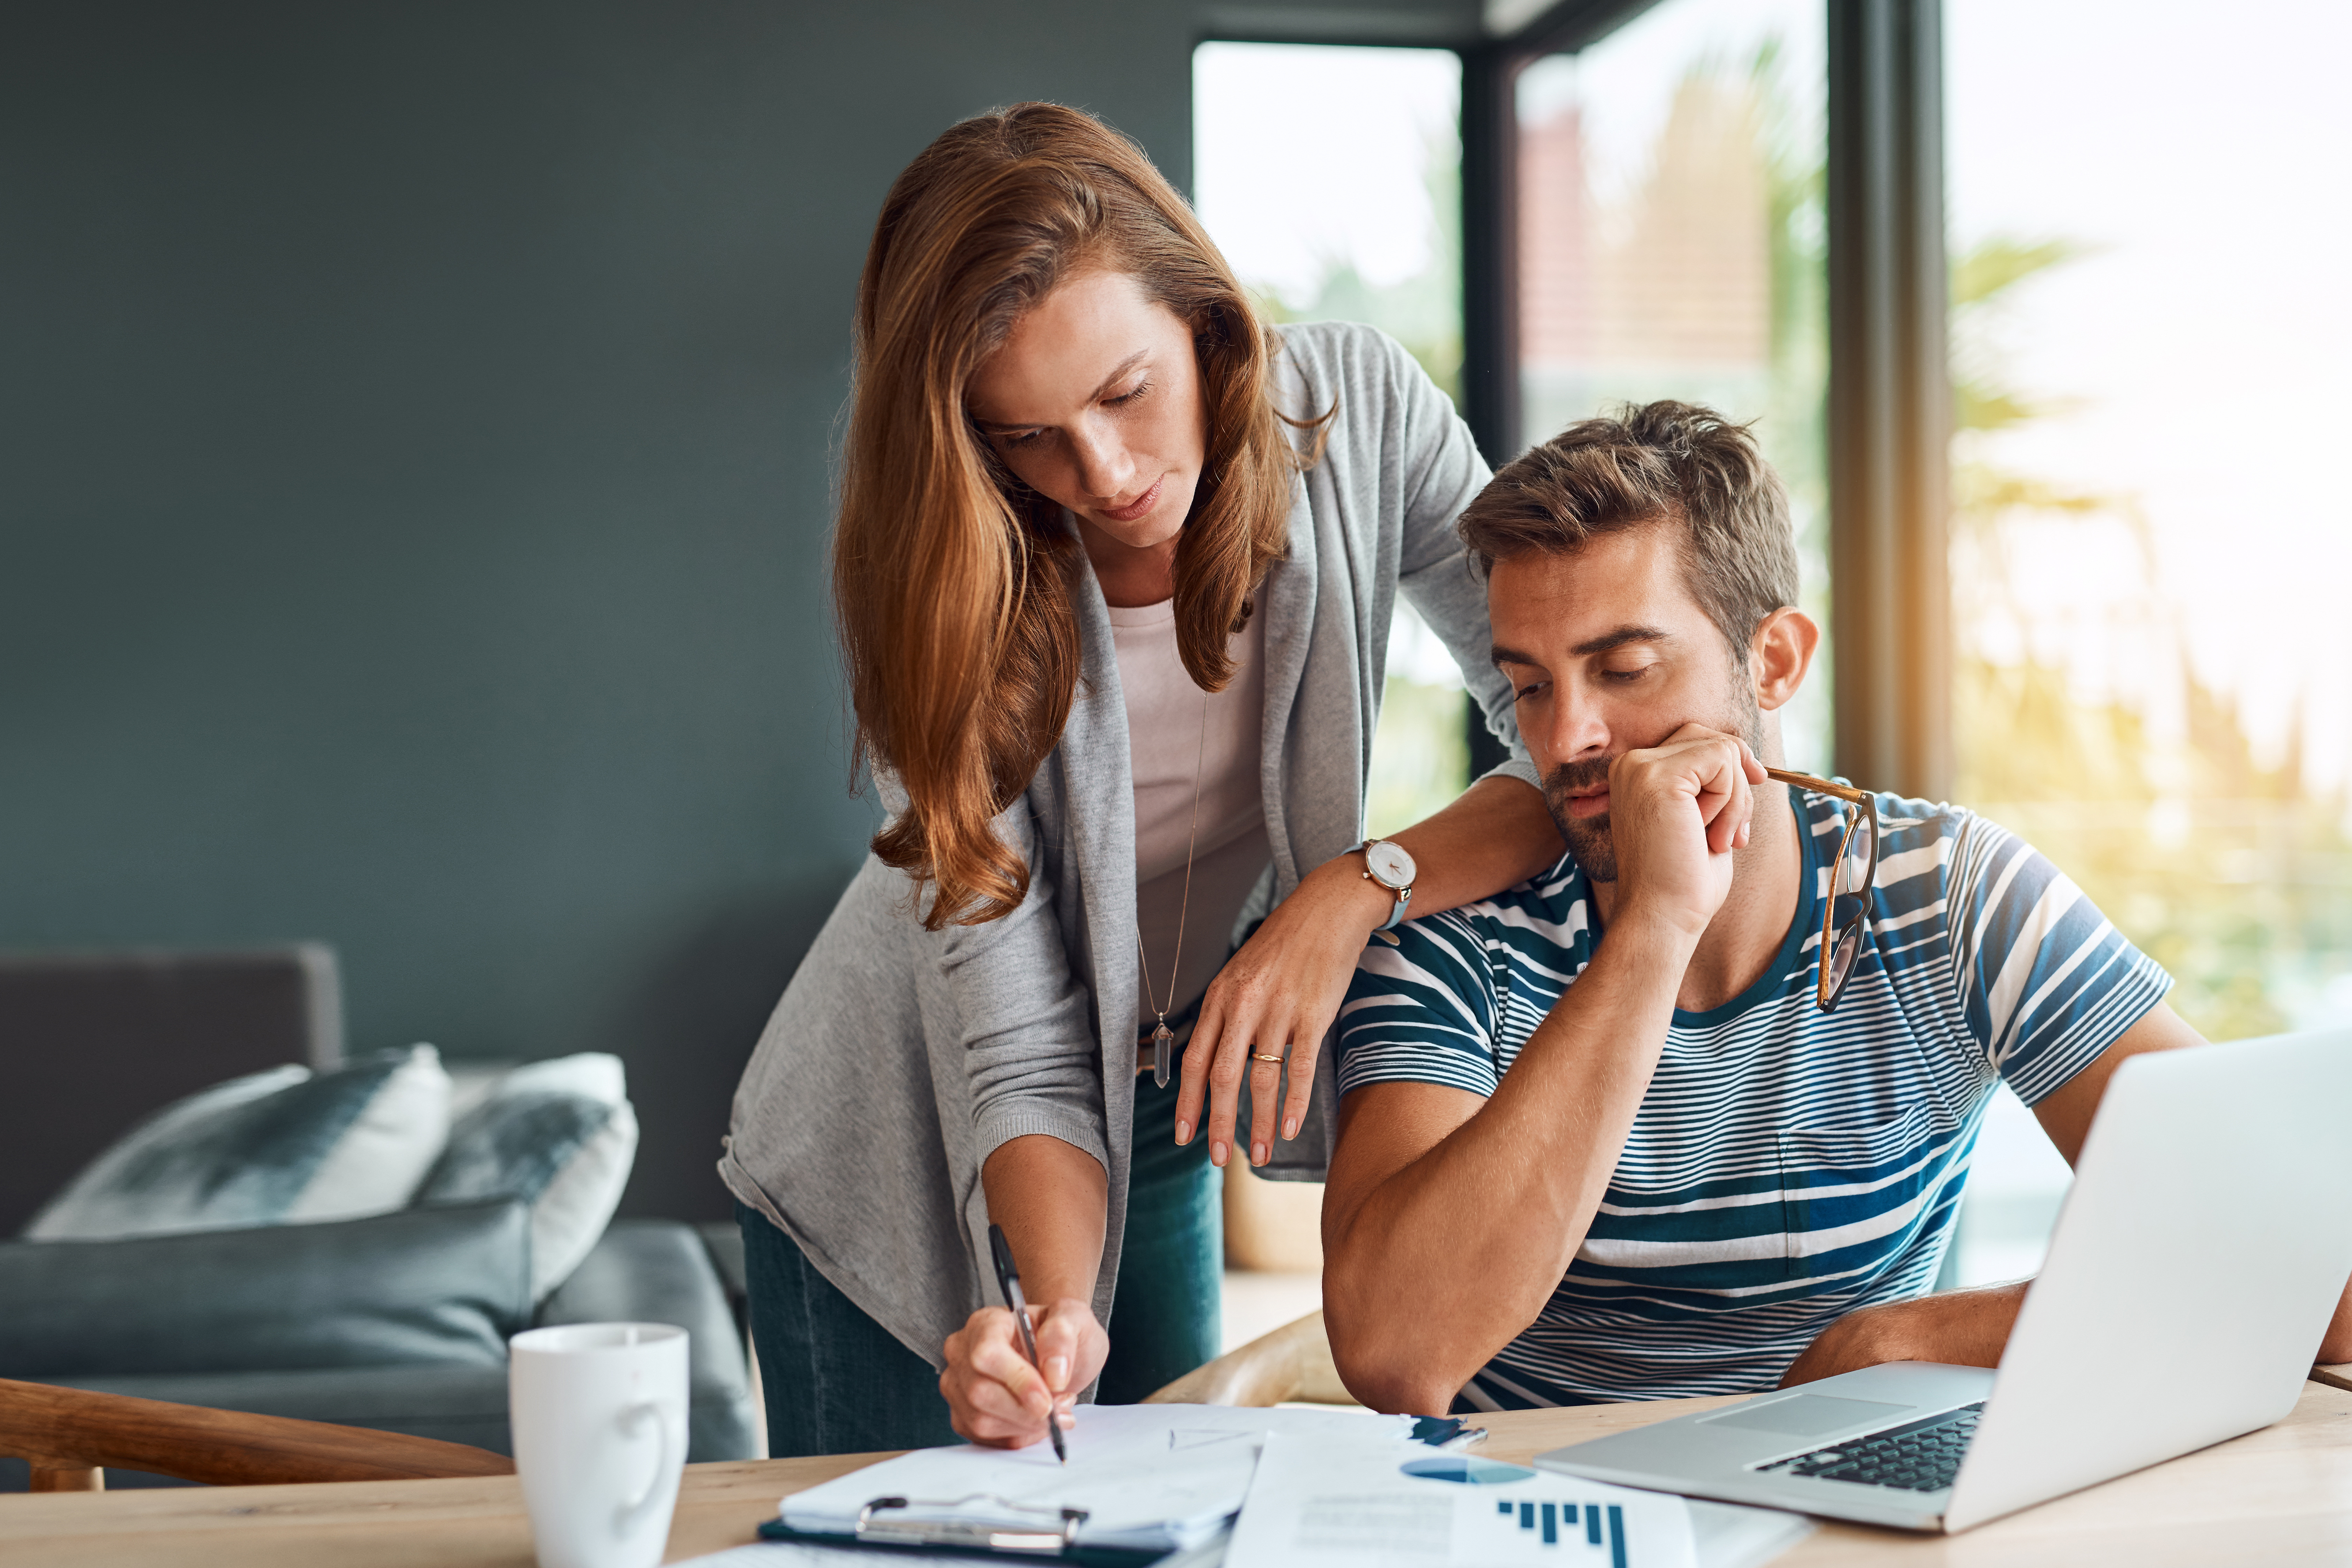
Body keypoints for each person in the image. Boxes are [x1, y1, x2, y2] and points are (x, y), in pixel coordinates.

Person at [720, 102, 1567, 1456]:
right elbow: (1013, 1039)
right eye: (1025, 438)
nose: (1102, 475)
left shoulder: (1358, 419)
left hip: (1160, 1095)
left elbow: (1560, 728)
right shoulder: (946, 595)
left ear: (1204, 322)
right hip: (897, 1138)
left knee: (1174, 1510)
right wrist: (1051, 1316)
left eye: (1124, 394)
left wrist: (1358, 890)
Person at [1319, 400, 2352, 1414]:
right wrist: (1655, 927)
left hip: (1848, 1509)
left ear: (1772, 662)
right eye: (1531, 686)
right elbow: (1395, 1355)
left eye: (1622, 668)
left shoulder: (1946, 895)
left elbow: (2315, 1275)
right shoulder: (1450, 940)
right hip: (1543, 1509)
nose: (1567, 737)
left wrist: (1906, 1338)